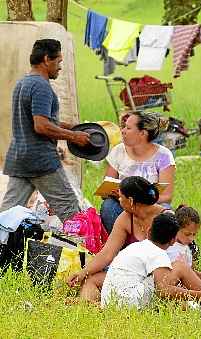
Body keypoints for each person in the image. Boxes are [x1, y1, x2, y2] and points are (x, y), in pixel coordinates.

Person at [0, 39, 90, 222]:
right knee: (71, 211)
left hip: (20, 158)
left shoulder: (23, 83)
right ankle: (87, 249)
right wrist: (73, 137)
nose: (60, 67)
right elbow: (40, 125)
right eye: (59, 62)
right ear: (47, 59)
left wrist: (69, 127)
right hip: (41, 160)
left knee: (7, 214)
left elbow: (42, 120)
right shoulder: (41, 86)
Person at [67, 176, 169, 302]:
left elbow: (175, 255)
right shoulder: (126, 218)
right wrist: (83, 273)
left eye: (121, 197)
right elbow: (107, 253)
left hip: (159, 277)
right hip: (132, 275)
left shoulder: (165, 217)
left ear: (130, 200)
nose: (119, 201)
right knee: (91, 279)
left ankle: (93, 305)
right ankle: (90, 307)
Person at [101, 213, 201, 309]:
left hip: (109, 303)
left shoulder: (134, 247)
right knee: (180, 267)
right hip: (128, 305)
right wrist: (200, 295)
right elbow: (164, 291)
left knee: (171, 277)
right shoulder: (158, 253)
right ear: (172, 241)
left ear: (149, 231)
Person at [100, 111, 176, 234]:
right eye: (123, 127)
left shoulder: (164, 155)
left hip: (151, 205)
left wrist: (141, 201)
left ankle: (155, 247)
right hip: (123, 205)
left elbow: (167, 196)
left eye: (128, 128)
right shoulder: (118, 151)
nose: (123, 131)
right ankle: (120, 247)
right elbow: (106, 189)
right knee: (108, 206)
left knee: (166, 213)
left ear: (142, 133)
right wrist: (117, 194)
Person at [166, 205, 201, 286]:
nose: (191, 239)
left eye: (194, 234)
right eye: (187, 234)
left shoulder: (186, 248)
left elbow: (191, 273)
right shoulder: (168, 248)